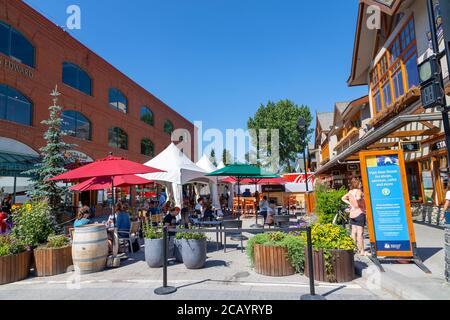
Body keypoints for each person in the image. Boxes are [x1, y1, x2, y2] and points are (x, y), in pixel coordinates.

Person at [342, 178, 367, 256]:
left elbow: (342, 198)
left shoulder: (350, 192)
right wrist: (359, 200)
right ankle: (362, 251)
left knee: (353, 232)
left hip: (352, 214)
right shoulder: (359, 191)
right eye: (360, 183)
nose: (361, 184)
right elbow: (358, 198)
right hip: (359, 213)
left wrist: (350, 203)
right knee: (360, 233)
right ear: (357, 184)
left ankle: (354, 248)